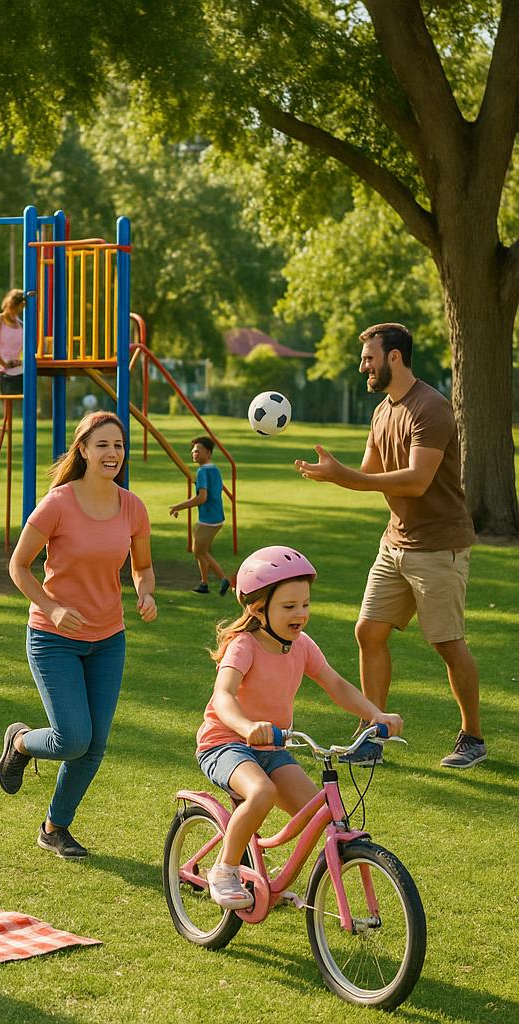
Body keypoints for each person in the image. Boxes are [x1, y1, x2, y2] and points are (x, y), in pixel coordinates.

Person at [295, 323, 483, 769]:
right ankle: (373, 732)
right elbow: (368, 471)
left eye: (369, 358)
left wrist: (347, 476)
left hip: (438, 546)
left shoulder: (430, 408)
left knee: (447, 644)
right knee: (368, 631)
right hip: (395, 542)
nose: (364, 367)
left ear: (394, 358)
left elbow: (417, 481)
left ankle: (472, 736)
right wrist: (334, 472)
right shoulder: (383, 411)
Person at [196, 547, 403, 909]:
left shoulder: (301, 646)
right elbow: (223, 696)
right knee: (260, 793)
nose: (301, 614)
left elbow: (336, 685)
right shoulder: (244, 646)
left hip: (273, 748)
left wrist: (376, 714)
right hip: (227, 744)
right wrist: (246, 727)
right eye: (289, 606)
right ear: (257, 608)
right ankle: (225, 869)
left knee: (318, 819)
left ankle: (269, 885)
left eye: (305, 604)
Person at [0, 411, 157, 860]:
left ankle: (54, 827)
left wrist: (146, 593)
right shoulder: (57, 504)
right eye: (102, 444)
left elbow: (142, 568)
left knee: (94, 745)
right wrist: (52, 606)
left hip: (109, 639)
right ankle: (21, 742)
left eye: (118, 446)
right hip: (53, 638)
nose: (112, 453)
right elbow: (18, 566)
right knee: (72, 738)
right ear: (82, 449)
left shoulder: (133, 507)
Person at [169, 435, 233, 595]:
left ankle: (224, 579)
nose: (193, 453)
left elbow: (202, 497)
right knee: (199, 550)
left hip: (209, 519)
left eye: (198, 451)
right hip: (215, 517)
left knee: (200, 552)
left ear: (209, 453)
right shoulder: (215, 469)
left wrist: (179, 506)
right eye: (193, 450)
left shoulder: (202, 472)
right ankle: (204, 584)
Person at [0, 289, 25, 396]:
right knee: (7, 398)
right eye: (20, 306)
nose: (20, 310)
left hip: (17, 366)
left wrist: (20, 361)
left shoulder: (20, 323)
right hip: (2, 365)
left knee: (22, 398)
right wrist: (3, 364)